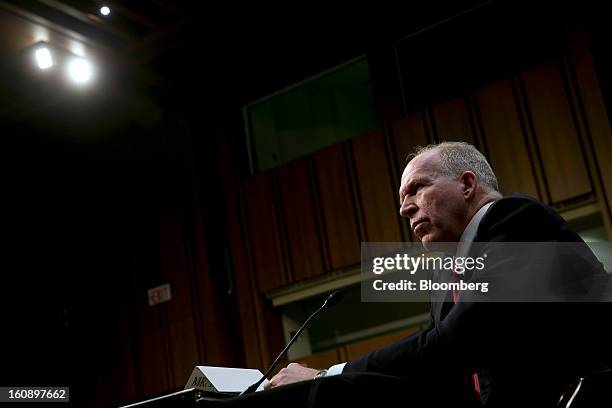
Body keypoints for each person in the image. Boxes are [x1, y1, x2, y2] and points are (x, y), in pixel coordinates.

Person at [265, 142, 611, 407]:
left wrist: (327, 377)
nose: (404, 208)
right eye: (403, 198)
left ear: (466, 184)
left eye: (417, 188)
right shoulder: (448, 278)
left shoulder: (516, 218)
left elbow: (463, 338)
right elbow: (435, 367)